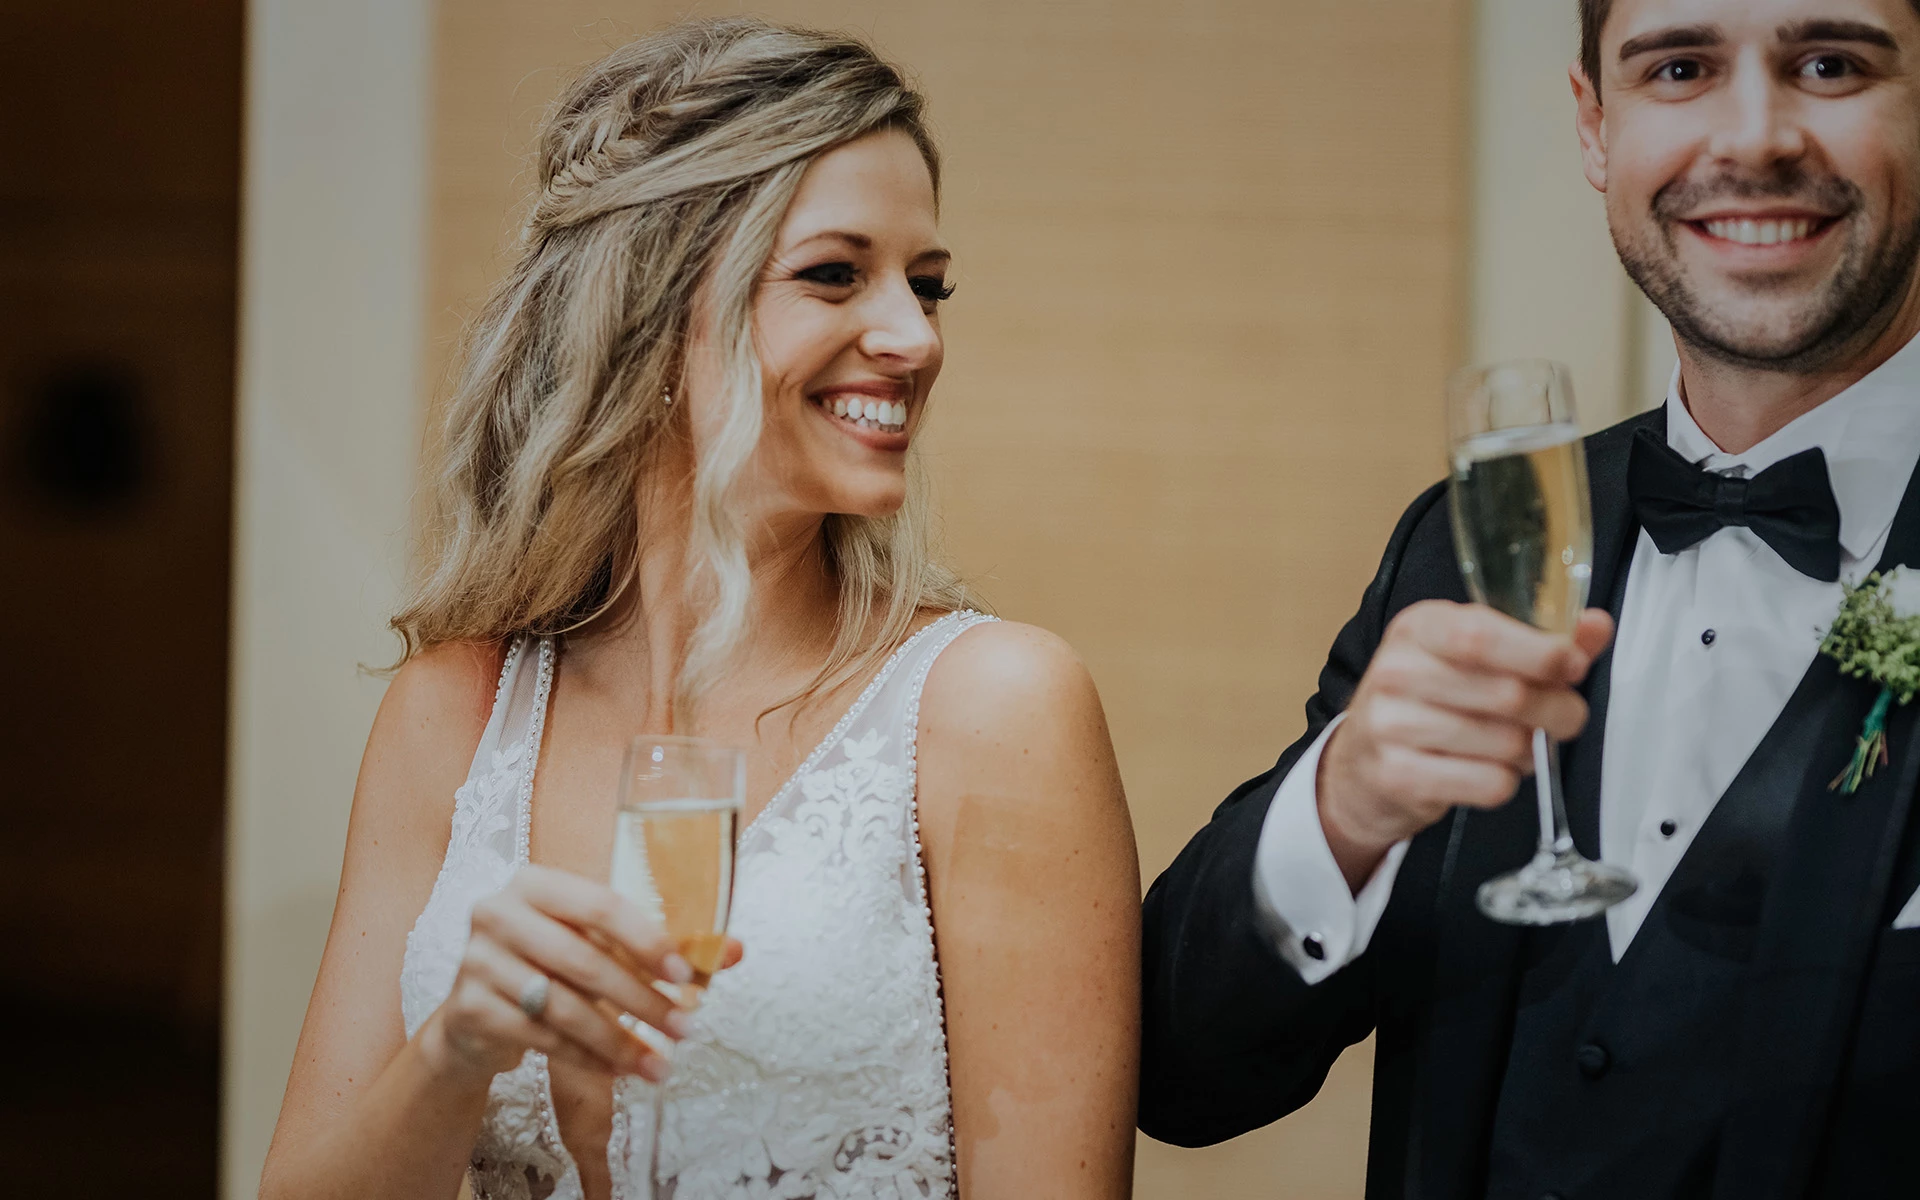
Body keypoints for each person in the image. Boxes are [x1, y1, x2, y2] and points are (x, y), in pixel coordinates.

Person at [261, 19, 1140, 1200]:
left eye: (928, 287)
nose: (914, 338)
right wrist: (456, 1052)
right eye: (836, 272)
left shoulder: (994, 709)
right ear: (653, 305)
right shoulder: (455, 708)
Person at [1142, 0, 1920, 1195]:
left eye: (1829, 63)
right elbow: (1180, 1076)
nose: (1756, 137)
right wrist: (1341, 812)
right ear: (1596, 125)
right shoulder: (1464, 544)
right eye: (1682, 67)